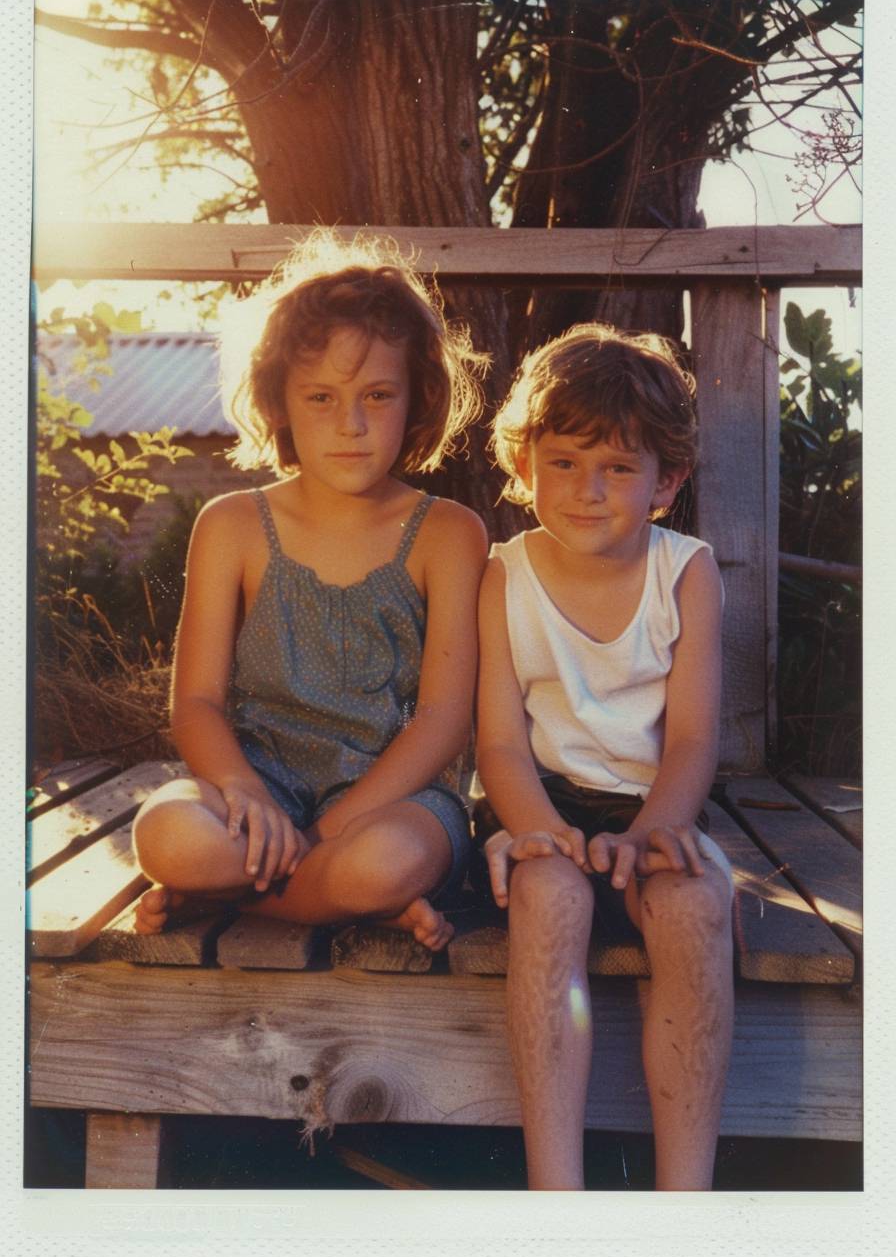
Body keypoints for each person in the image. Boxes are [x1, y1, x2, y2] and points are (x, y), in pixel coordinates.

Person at [133, 231, 488, 951]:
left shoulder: (449, 533)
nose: (350, 425)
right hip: (259, 786)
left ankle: (253, 898)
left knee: (388, 862)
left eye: (377, 396)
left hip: (397, 798)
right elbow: (196, 705)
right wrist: (248, 794)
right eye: (321, 396)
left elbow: (444, 721)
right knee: (163, 834)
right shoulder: (232, 524)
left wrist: (328, 830)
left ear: (416, 399)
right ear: (281, 401)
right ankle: (331, 897)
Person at [474, 322, 734, 1189]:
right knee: (548, 896)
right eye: (565, 463)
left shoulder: (686, 572)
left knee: (696, 903)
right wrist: (541, 829)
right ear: (525, 468)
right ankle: (559, 1194)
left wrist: (654, 829)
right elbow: (500, 742)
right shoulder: (504, 575)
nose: (588, 490)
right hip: (539, 797)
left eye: (619, 468)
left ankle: (681, 1196)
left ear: (666, 482)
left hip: (654, 799)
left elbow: (694, 738)